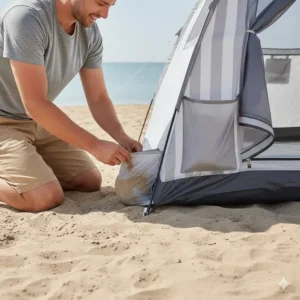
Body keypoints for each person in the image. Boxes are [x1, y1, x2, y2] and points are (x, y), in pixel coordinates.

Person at [0, 0, 143, 212]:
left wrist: (122, 138)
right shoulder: (26, 17)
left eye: (110, 6)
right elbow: (35, 103)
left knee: (89, 181)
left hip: (36, 122)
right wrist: (95, 145)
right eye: (101, 3)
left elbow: (98, 98)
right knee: (44, 197)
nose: (104, 15)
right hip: (4, 122)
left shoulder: (90, 33)